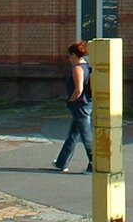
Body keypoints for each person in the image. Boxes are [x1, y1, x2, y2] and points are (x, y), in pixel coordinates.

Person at [51, 40, 93, 173]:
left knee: (86, 136)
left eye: (69, 56)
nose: (69, 59)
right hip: (86, 103)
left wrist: (70, 100)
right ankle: (62, 162)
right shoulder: (87, 66)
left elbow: (78, 89)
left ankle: (94, 164)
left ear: (74, 55)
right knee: (73, 134)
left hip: (80, 105)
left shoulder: (78, 69)